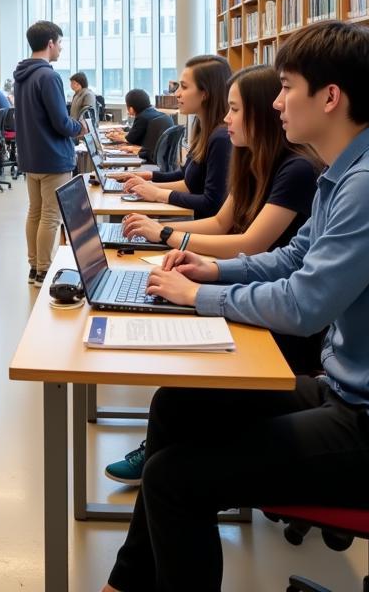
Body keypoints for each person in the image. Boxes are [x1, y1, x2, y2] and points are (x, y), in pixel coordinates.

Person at [101, 21, 369, 592]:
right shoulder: (345, 174)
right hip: (357, 396)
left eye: (286, 87)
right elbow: (291, 258)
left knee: (177, 479)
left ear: (330, 97)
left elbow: (303, 306)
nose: (275, 102)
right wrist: (214, 269)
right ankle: (126, 584)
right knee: (179, 405)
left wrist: (200, 296)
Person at [106, 64, 321, 485]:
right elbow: (223, 224)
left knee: (184, 356)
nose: (226, 119)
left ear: (258, 115)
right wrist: (166, 236)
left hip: (276, 312)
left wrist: (168, 236)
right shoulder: (252, 159)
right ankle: (165, 457)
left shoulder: (296, 169)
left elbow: (254, 244)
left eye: (236, 110)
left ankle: (167, 459)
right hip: (254, 286)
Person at [113, 55, 232, 218]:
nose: (177, 94)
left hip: (202, 231)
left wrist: (156, 193)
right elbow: (185, 177)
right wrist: (148, 177)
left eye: (184, 87)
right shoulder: (202, 128)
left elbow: (212, 204)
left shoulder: (221, 138)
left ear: (205, 93)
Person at [13, 20, 85, 286]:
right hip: (53, 158)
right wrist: (82, 128)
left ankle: (34, 266)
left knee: (35, 212)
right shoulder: (49, 75)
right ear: (51, 43)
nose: (61, 49)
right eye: (60, 43)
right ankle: (44, 270)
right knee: (51, 216)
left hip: (31, 156)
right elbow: (61, 123)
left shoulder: (21, 75)